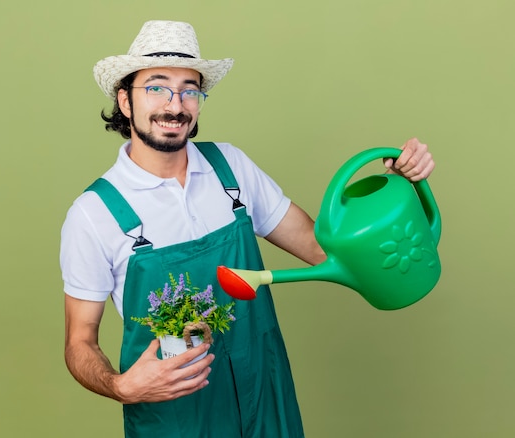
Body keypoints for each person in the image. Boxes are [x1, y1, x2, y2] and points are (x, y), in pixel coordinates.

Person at [60, 20, 435, 438]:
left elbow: (322, 251)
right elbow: (80, 341)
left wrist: (400, 187)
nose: (175, 104)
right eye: (157, 87)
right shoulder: (94, 214)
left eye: (190, 89)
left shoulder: (231, 169)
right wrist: (121, 386)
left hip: (264, 399)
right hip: (175, 418)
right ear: (125, 101)